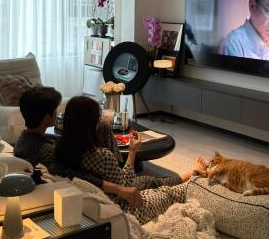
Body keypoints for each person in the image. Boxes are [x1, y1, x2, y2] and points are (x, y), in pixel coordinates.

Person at [53, 95, 199, 224]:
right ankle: (196, 177)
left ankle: (185, 175)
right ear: (92, 124)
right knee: (168, 193)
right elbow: (126, 186)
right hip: (124, 209)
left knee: (148, 180)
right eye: (98, 119)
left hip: (99, 202)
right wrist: (132, 152)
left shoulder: (59, 150)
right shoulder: (102, 156)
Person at [14, 86, 142, 209]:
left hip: (103, 168)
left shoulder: (22, 141)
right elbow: (78, 177)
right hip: (103, 195)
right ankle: (121, 166)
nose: (57, 113)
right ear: (47, 117)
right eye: (55, 109)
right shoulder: (47, 152)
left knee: (103, 126)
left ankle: (120, 166)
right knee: (148, 181)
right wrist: (118, 188)